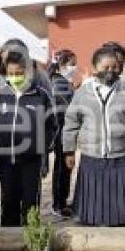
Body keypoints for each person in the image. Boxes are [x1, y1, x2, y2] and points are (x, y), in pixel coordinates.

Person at [63, 46, 125, 225]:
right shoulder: (82, 93)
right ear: (95, 68)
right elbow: (71, 123)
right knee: (92, 211)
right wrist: (69, 150)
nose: (111, 72)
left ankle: (123, 228)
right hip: (92, 158)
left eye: (115, 68)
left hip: (121, 158)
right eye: (106, 68)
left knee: (123, 207)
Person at [0, 51, 57, 226]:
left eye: (19, 73)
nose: (15, 77)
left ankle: (32, 238)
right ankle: (9, 239)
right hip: (6, 161)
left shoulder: (41, 96)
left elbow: (52, 126)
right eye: (11, 74)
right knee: (8, 201)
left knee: (31, 202)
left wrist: (42, 147)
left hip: (31, 161)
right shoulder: (1, 95)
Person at [48, 49, 78, 218]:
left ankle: (61, 202)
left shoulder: (62, 82)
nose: (74, 67)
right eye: (72, 64)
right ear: (61, 65)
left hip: (63, 131)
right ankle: (59, 204)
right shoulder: (59, 83)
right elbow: (67, 108)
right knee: (62, 169)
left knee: (64, 168)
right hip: (62, 132)